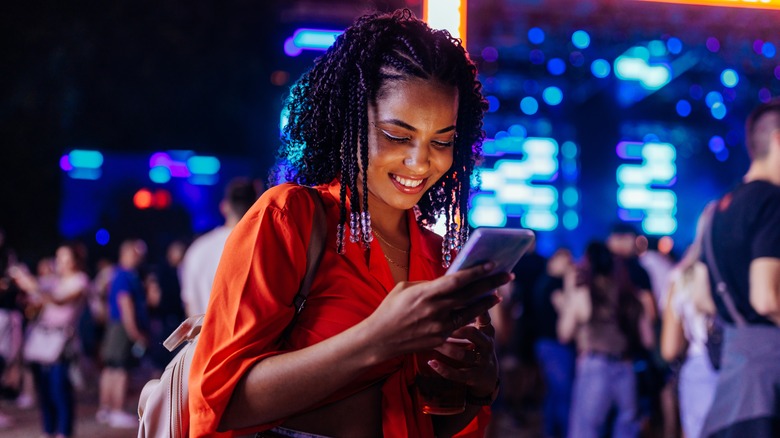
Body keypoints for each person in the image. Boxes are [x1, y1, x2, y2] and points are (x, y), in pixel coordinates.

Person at [188, 9, 509, 437]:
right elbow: (215, 404)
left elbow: (427, 422)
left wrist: (479, 386)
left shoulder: (437, 255)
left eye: (441, 141)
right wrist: (377, 339)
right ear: (350, 122)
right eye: (398, 136)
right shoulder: (290, 219)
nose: (420, 161)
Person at [700, 98, 780, 437]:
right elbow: (766, 298)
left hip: (733, 377)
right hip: (767, 376)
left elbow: (704, 298)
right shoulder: (772, 201)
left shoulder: (716, 210)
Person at [556, 242, 655, 438]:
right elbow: (648, 339)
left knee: (586, 430)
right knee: (626, 428)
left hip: (595, 364)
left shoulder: (586, 290)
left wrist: (569, 291)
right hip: (626, 367)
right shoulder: (628, 293)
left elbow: (565, 333)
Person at [9, 242, 89, 438]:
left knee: (59, 389)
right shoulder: (55, 280)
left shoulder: (80, 281)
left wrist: (35, 287)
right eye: (58, 257)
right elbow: (36, 297)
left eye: (64, 257)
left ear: (74, 260)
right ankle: (49, 430)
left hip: (62, 342)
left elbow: (59, 300)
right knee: (44, 390)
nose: (60, 262)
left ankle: (64, 432)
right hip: (42, 340)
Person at [660, 204, 718, 438]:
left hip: (701, 365)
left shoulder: (682, 276)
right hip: (750, 364)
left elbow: (669, 349)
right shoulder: (750, 270)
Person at [180, 178, 258, 317]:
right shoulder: (262, 247)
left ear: (224, 206)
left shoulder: (197, 249)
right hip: (248, 337)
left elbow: (189, 303)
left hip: (203, 336)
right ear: (256, 206)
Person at [96, 238, 147, 429]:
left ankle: (105, 409)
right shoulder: (125, 275)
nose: (140, 258)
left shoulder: (116, 274)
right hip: (122, 327)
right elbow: (125, 303)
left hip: (115, 326)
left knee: (110, 368)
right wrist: (134, 331)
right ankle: (117, 410)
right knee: (121, 369)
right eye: (137, 254)